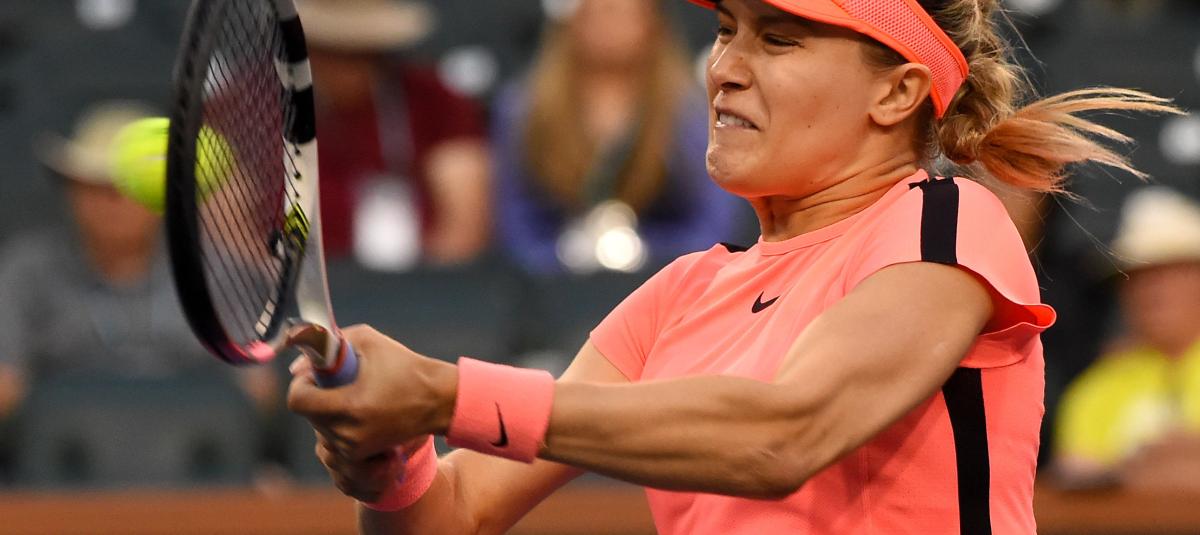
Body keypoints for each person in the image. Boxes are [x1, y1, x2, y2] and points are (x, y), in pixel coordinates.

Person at [287, 0, 1175, 533]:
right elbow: (455, 514)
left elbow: (784, 434)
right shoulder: (677, 295)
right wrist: (393, 459)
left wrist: (441, 394)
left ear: (897, 91)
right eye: (725, 31)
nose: (724, 70)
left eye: (778, 40)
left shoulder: (946, 221)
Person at [0, 101, 277, 420]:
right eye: (95, 187)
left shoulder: (217, 274)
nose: (113, 202)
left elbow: (259, 392)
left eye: (130, 186)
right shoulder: (27, 273)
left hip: (194, 443)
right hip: (63, 447)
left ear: (165, 194)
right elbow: (5, 386)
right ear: (71, 193)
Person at [492, 0, 741, 274]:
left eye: (624, 13)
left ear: (652, 22)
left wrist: (641, 250)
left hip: (668, 277)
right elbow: (515, 225)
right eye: (597, 12)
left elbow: (711, 224)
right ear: (570, 22)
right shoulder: (523, 109)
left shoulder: (691, 111)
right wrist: (566, 253)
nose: (609, 25)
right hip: (552, 286)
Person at [297, 0, 492, 269]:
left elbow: (463, 226)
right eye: (333, 51)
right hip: (299, 280)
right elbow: (240, 232)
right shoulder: (260, 103)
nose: (347, 68)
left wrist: (414, 288)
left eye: (361, 53)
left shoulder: (438, 102)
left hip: (416, 281)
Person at [1054, 187, 1200, 492]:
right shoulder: (1097, 388)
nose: (1152, 291)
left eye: (1169, 272)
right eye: (1135, 277)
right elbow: (1072, 481)